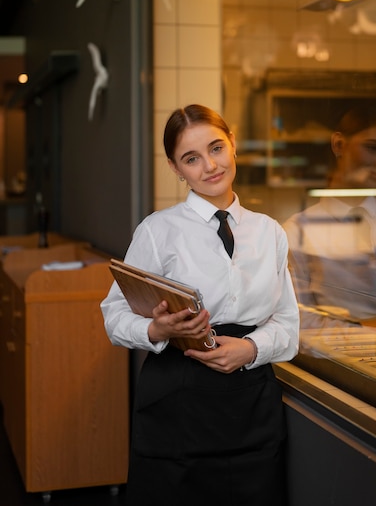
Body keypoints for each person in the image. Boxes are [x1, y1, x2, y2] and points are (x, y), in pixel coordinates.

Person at [101, 104, 299, 506]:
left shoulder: (269, 232)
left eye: (216, 148)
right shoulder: (158, 230)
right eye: (192, 158)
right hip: (177, 399)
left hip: (252, 401)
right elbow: (114, 315)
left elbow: (289, 325)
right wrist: (158, 329)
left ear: (233, 148)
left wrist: (252, 349)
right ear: (176, 169)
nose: (210, 165)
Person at [284, 103, 376, 321]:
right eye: (373, 148)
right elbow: (298, 321)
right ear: (338, 144)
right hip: (343, 352)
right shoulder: (298, 231)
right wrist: (374, 331)